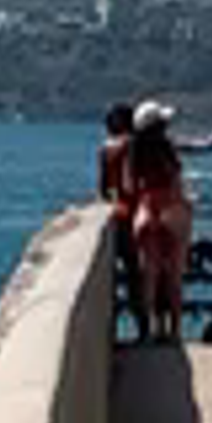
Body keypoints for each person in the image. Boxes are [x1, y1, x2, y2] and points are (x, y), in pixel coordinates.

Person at [125, 97, 194, 346]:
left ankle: (151, 332)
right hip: (172, 211)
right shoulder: (168, 148)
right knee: (174, 277)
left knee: (149, 277)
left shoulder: (134, 151)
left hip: (146, 211)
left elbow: (129, 186)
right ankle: (174, 332)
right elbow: (176, 180)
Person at [97, 103, 142, 338]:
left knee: (124, 274)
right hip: (140, 210)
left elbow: (104, 189)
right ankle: (146, 327)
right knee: (141, 274)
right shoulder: (134, 145)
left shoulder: (106, 150)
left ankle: (118, 329)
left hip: (120, 213)